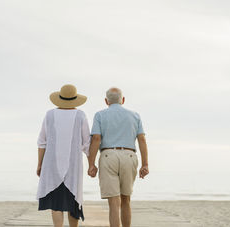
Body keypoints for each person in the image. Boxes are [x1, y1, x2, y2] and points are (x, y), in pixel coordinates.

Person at [87, 87, 149, 227]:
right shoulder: (135, 116)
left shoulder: (100, 115)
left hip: (108, 156)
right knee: (126, 200)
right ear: (123, 100)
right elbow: (142, 140)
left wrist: (91, 164)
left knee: (114, 203)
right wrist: (145, 164)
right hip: (129, 155)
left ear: (106, 101)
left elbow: (96, 138)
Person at [36, 84, 91, 227]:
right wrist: (92, 164)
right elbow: (87, 144)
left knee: (56, 202)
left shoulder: (50, 114)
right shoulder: (80, 115)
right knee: (73, 201)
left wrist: (40, 164)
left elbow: (42, 142)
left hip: (52, 165)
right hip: (73, 166)